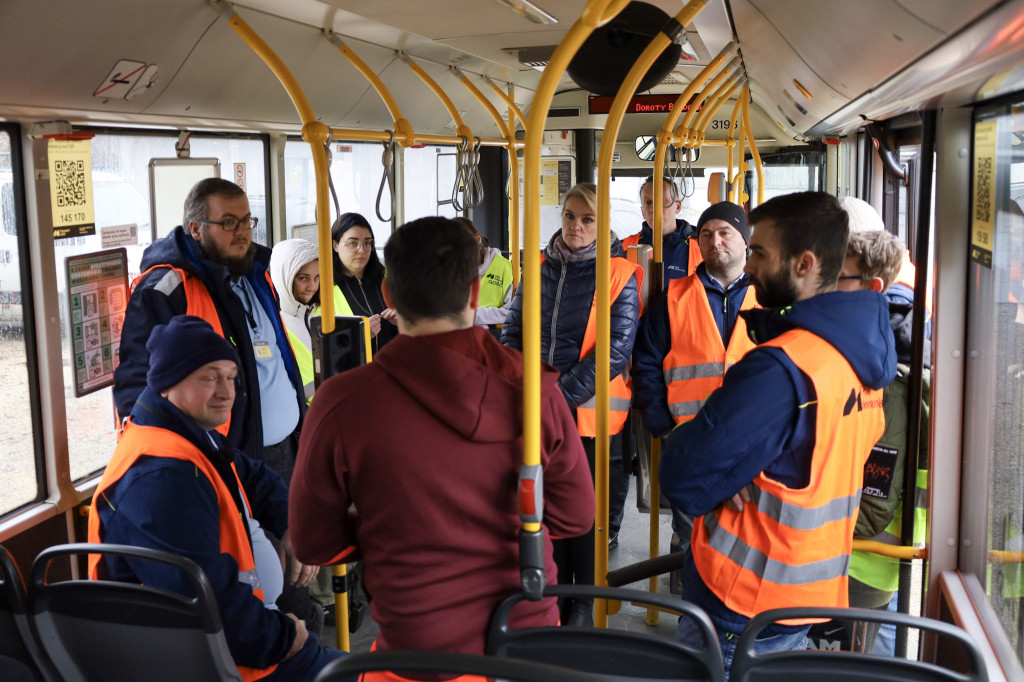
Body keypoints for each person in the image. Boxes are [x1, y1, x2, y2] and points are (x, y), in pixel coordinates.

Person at [289, 217, 594, 660]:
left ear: (390, 295)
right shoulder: (536, 392)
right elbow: (575, 517)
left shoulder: (342, 403)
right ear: (474, 293)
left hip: (416, 647)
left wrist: (391, 525)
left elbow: (314, 541)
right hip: (524, 640)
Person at [661, 191, 896, 675]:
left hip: (742, 594)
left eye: (761, 253)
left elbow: (682, 476)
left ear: (805, 264)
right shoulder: (864, 357)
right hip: (810, 588)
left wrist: (729, 473)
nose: (748, 267)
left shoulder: (782, 368)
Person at [113, 177, 320, 633]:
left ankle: (296, 633)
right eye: (228, 222)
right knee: (260, 584)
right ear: (195, 227)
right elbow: (137, 382)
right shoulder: (167, 288)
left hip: (281, 447)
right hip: (224, 453)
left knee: (296, 570)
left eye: (247, 220)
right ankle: (283, 642)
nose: (242, 231)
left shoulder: (257, 271)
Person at [89, 316, 344, 682]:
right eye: (209, 378)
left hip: (240, 639)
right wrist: (285, 638)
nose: (228, 392)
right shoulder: (161, 479)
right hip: (217, 661)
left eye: (231, 377)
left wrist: (291, 521)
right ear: (167, 384)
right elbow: (207, 601)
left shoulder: (190, 436)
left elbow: (252, 474)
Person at [501, 182, 641, 626]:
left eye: (588, 219)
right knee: (543, 507)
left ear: (602, 224)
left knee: (584, 512)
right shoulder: (538, 267)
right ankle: (553, 596)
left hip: (588, 415)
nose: (576, 226)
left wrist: (554, 399)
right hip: (537, 408)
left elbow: (614, 351)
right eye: (570, 216)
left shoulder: (619, 274)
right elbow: (512, 332)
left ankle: (583, 600)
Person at [631, 201, 757, 587]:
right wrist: (662, 426)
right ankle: (695, 625)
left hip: (754, 445)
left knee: (749, 540)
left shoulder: (770, 297)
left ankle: (734, 624)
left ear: (745, 242)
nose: (715, 241)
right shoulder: (673, 297)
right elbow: (646, 364)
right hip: (689, 440)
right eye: (706, 234)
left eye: (725, 233)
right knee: (693, 542)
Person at [836, 230, 929, 655]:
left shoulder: (886, 374)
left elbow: (877, 488)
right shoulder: (893, 347)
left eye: (839, 277)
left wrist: (827, 529)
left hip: (863, 558)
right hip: (878, 551)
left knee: (857, 658)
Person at [330, 212, 397, 353]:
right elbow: (324, 345)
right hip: (356, 372)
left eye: (367, 243)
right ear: (335, 245)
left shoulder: (388, 278)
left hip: (395, 368)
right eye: (353, 243)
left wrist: (402, 322)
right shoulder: (324, 288)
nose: (362, 251)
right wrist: (359, 336)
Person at [270, 238, 320, 404]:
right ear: (285, 278)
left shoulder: (318, 316)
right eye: (303, 278)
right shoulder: (274, 325)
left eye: (317, 277)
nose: (312, 287)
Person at [621, 175, 700, 280]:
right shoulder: (623, 248)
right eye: (648, 203)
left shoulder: (700, 247)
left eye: (661, 201)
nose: (653, 209)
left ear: (677, 207)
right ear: (642, 212)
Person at [452, 216, 514, 328]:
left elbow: (513, 312)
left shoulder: (505, 267)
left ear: (478, 238)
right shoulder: (451, 272)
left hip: (497, 333)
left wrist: (475, 315)